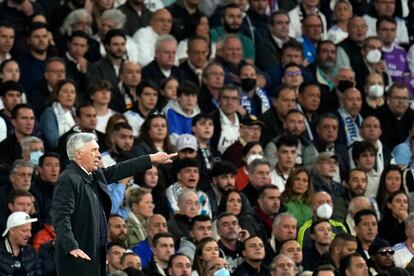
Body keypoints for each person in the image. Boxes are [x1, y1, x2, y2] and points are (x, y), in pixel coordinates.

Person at [51, 132, 176, 276]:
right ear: (78, 154)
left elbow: (120, 169)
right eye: (94, 150)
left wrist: (152, 158)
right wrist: (70, 246)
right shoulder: (69, 179)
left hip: (94, 256)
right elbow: (61, 215)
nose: (99, 155)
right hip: (77, 257)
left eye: (98, 150)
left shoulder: (94, 175)